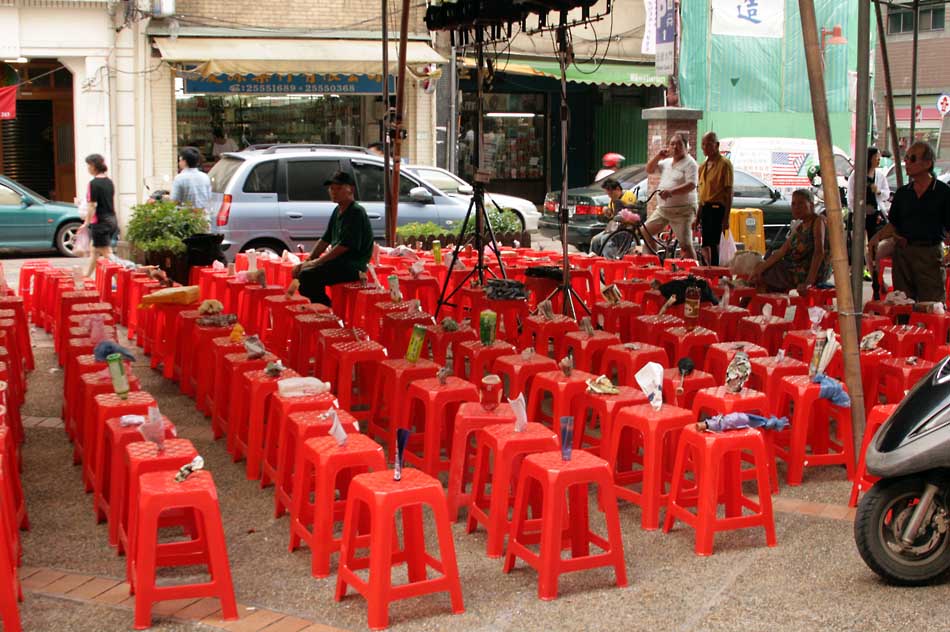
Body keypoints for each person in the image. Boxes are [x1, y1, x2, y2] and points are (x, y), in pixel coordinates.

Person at [868, 141, 950, 302]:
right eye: (906, 158)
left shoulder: (943, 192)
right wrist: (877, 238)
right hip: (903, 254)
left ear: (928, 163)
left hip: (929, 254)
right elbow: (893, 225)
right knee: (902, 302)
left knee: (931, 304)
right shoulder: (903, 193)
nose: (907, 162)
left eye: (912, 158)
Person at [293, 171, 375, 307]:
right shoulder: (338, 210)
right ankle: (321, 307)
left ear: (351, 189)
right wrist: (308, 260)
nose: (334, 192)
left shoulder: (356, 212)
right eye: (331, 188)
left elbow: (344, 246)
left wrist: (317, 262)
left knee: (307, 276)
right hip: (338, 263)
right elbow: (325, 239)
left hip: (353, 267)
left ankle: (326, 309)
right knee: (301, 272)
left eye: (339, 188)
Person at [753, 189, 830, 294]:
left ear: (811, 205)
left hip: (808, 273)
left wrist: (809, 281)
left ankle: (748, 306)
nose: (796, 207)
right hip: (795, 269)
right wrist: (760, 268)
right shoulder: (799, 227)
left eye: (801, 203)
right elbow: (781, 252)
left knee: (766, 275)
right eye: (793, 204)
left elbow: (819, 252)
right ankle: (751, 306)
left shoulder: (818, 221)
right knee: (761, 270)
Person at [644, 133, 699, 260]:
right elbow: (649, 169)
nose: (675, 147)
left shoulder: (690, 164)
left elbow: (691, 185)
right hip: (663, 210)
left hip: (683, 211)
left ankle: (695, 274)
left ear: (686, 147)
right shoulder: (667, 162)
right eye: (672, 144)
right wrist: (658, 156)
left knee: (685, 245)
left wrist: (671, 192)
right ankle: (654, 262)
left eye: (679, 144)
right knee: (645, 231)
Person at [847, 146, 891, 298]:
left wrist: (878, 191)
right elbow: (850, 199)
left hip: (875, 216)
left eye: (879, 157)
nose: (879, 159)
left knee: (874, 249)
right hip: (859, 216)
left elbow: (886, 193)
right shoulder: (856, 175)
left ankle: (877, 280)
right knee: (861, 249)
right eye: (876, 157)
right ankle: (867, 281)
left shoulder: (880, 175)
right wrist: (860, 212)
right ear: (869, 158)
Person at [697, 132, 734, 266]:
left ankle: (717, 272)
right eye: (703, 144)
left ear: (717, 145)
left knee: (716, 245)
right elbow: (701, 195)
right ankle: (709, 271)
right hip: (706, 210)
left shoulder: (725, 164)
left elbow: (729, 192)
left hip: (718, 209)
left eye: (709, 144)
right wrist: (697, 217)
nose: (705, 147)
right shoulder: (702, 167)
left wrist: (726, 218)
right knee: (706, 245)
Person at [82, 153, 118, 277]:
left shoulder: (94, 183)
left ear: (93, 166)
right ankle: (86, 276)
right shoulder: (109, 182)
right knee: (94, 250)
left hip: (100, 222)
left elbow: (92, 205)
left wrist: (86, 222)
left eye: (88, 165)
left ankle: (123, 276)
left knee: (107, 253)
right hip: (112, 220)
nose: (87, 168)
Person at [590, 177, 637, 255]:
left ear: (618, 189)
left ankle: (610, 260)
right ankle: (594, 259)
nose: (610, 196)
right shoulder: (612, 200)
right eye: (608, 194)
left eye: (611, 193)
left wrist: (616, 201)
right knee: (595, 239)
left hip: (626, 228)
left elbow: (627, 213)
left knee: (605, 239)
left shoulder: (628, 195)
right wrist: (607, 212)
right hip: (615, 228)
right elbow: (612, 216)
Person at [170, 147, 212, 218]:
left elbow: (174, 201)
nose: (179, 162)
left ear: (184, 161)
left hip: (187, 219)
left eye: (180, 159)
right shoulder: (205, 177)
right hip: (203, 218)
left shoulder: (179, 178)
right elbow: (208, 198)